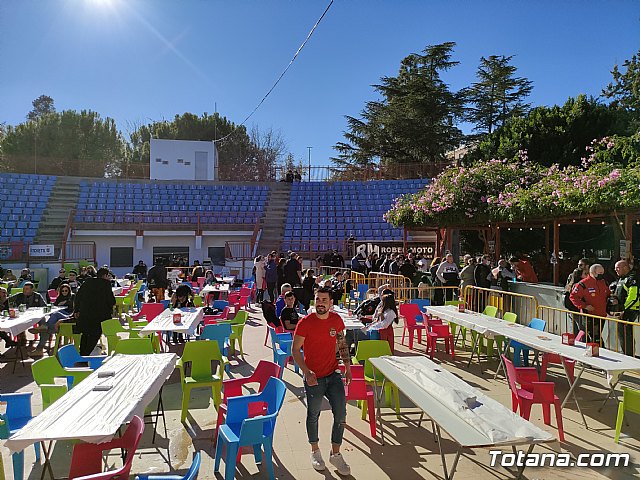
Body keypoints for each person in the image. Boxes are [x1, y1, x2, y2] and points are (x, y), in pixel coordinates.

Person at [292, 287, 352, 476]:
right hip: (313, 377)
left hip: (333, 374)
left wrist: (348, 367)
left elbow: (342, 344)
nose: (320, 303)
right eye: (318, 299)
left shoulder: (336, 320)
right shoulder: (305, 323)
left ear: (330, 303)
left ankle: (336, 454)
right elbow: (295, 350)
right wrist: (306, 371)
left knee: (341, 414)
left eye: (324, 300)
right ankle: (315, 451)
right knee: (313, 414)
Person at [74, 267, 116, 356]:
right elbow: (111, 301)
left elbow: (78, 296)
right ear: (105, 275)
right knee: (94, 336)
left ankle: (82, 355)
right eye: (108, 275)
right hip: (100, 315)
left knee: (85, 335)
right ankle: (87, 355)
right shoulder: (106, 284)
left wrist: (77, 310)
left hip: (85, 314)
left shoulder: (87, 282)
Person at [29, 283, 76, 356]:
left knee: (55, 314)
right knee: (52, 317)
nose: (64, 292)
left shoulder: (72, 296)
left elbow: (72, 308)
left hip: (68, 316)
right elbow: (54, 306)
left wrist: (66, 302)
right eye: (63, 291)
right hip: (59, 318)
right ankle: (39, 348)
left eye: (66, 291)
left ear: (69, 291)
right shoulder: (59, 297)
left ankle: (45, 327)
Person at [569, 264, 609, 343]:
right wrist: (585, 306)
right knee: (595, 337)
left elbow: (608, 294)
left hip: (602, 315)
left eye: (602, 273)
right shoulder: (583, 284)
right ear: (593, 272)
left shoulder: (603, 282)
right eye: (600, 273)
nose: (602, 275)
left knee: (597, 335)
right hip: (589, 315)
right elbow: (573, 297)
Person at [609, 260, 639, 356]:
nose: (615, 270)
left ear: (625, 267)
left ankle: (628, 357)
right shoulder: (621, 278)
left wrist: (623, 309)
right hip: (622, 311)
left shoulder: (632, 278)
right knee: (622, 335)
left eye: (617, 267)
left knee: (626, 335)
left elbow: (633, 297)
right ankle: (625, 354)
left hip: (630, 311)